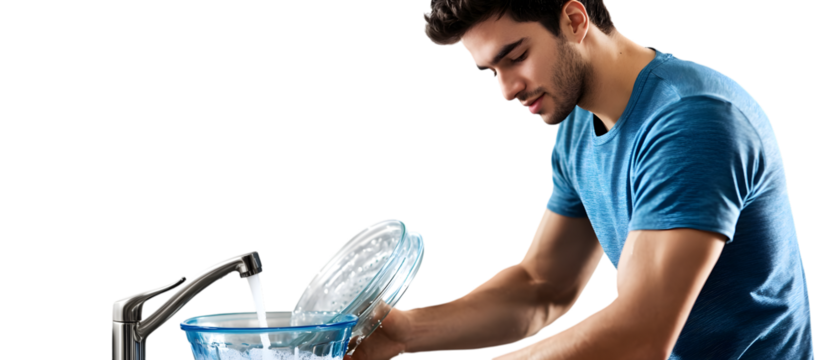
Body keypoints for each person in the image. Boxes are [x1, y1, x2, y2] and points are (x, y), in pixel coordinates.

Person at [345, 1, 815, 359]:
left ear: (574, 19)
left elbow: (641, 332)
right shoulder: (577, 128)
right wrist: (406, 332)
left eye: (516, 56)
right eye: (491, 70)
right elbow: (542, 285)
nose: (506, 89)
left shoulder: (692, 120)